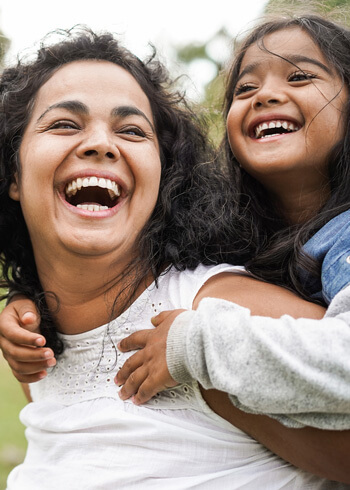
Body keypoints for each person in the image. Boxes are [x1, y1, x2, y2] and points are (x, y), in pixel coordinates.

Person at [2, 26, 345, 489]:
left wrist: (200, 349)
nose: (101, 144)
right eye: (64, 123)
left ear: (163, 178)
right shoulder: (36, 344)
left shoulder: (219, 320)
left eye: (130, 130)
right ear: (13, 172)